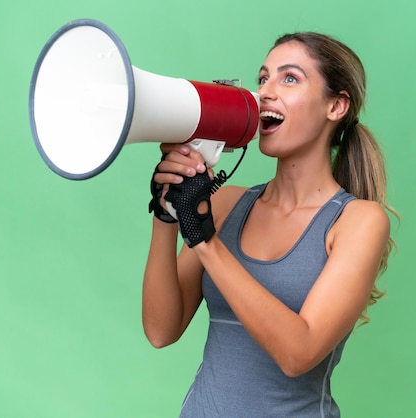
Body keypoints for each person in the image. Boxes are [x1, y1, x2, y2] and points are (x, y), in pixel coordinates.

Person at [142, 31, 396, 417]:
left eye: (289, 78)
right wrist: (167, 214)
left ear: (337, 106)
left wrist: (204, 239)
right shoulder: (226, 203)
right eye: (263, 78)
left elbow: (298, 354)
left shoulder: (358, 221)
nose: (265, 92)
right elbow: (161, 330)